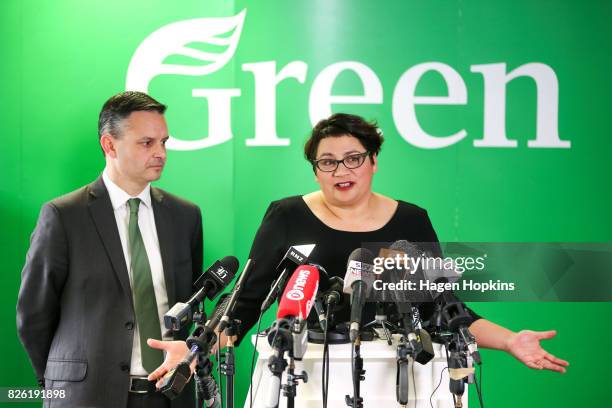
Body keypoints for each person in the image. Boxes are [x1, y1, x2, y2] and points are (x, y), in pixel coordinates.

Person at [149, 113, 568, 387]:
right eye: (327, 162)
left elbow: (446, 310)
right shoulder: (286, 216)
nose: (341, 171)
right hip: (301, 374)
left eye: (353, 159)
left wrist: (511, 340)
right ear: (315, 170)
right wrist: (195, 347)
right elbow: (247, 303)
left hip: (395, 374)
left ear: (373, 161)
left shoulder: (411, 221)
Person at [16, 91, 202, 408]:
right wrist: (60, 382)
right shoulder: (64, 216)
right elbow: (34, 315)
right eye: (147, 143)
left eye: (164, 142)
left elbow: (193, 308)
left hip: (169, 397)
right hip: (86, 397)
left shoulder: (185, 216)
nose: (160, 153)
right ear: (109, 145)